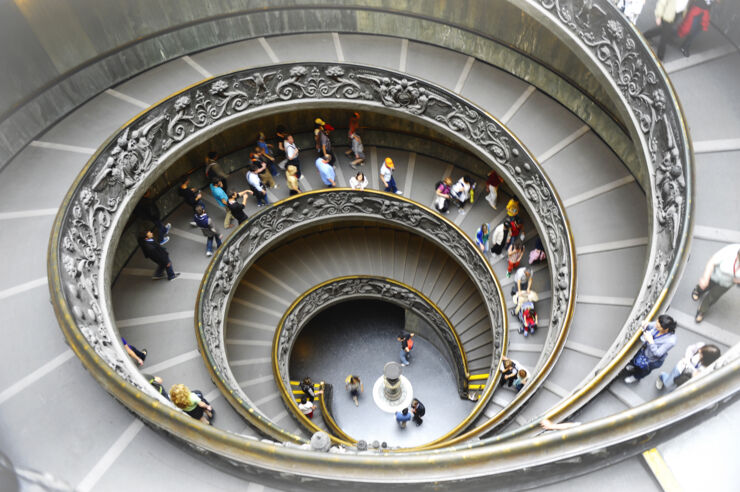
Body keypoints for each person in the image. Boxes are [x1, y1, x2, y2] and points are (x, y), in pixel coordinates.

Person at [620, 314, 678, 384]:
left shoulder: (670, 341)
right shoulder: (658, 325)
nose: (655, 326)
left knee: (644, 370)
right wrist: (646, 324)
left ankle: (636, 377)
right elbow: (651, 325)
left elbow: (658, 353)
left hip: (652, 360)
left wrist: (651, 341)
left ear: (666, 329)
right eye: (656, 322)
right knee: (637, 361)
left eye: (658, 326)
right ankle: (634, 367)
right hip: (645, 351)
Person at [691, 244, 739, 323]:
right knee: (705, 285)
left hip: (727, 282)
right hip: (715, 274)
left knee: (714, 296)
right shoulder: (731, 251)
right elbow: (712, 261)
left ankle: (702, 310)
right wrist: (706, 278)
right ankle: (698, 290)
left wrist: (737, 281)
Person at [656, 343, 721, 391]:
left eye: (701, 354)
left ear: (707, 359)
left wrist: (695, 373)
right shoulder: (700, 346)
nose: (699, 351)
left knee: (676, 387)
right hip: (681, 368)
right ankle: (662, 376)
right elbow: (690, 349)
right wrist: (687, 359)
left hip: (688, 376)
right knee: (668, 384)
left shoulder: (709, 367)